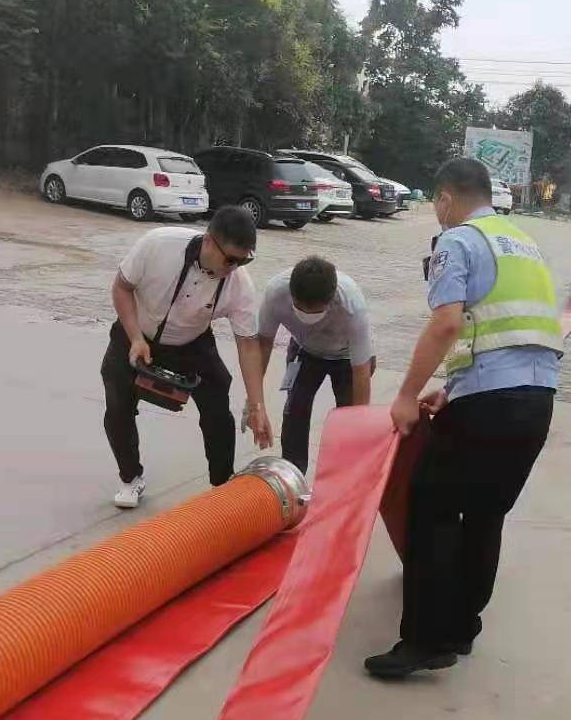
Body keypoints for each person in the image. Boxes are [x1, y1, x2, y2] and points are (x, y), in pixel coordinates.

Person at [365, 157, 563, 680]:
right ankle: (460, 628)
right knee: (484, 512)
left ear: (446, 199)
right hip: (537, 402)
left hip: (489, 407)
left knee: (431, 507)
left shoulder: (457, 240)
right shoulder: (523, 242)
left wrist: (407, 395)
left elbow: (447, 324)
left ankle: (423, 642)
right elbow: (512, 332)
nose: (437, 212)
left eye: (435, 203)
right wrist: (452, 390)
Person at [101, 206, 273, 508]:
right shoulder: (158, 245)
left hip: (191, 341)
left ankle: (222, 485)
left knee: (218, 395)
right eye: (230, 259)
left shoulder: (239, 283)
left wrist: (257, 404)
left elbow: (247, 345)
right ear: (208, 242)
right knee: (117, 403)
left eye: (244, 260)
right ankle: (131, 478)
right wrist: (136, 338)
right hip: (136, 333)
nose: (234, 268)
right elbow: (122, 287)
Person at [256, 256, 374, 474]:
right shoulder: (276, 292)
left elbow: (361, 370)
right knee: (295, 411)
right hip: (305, 350)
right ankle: (292, 474)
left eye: (317, 311)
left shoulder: (352, 305)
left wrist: (360, 425)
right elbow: (262, 345)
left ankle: (344, 477)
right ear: (291, 295)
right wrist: (254, 403)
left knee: (349, 420)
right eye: (301, 309)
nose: (308, 316)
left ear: (331, 300)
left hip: (347, 358)